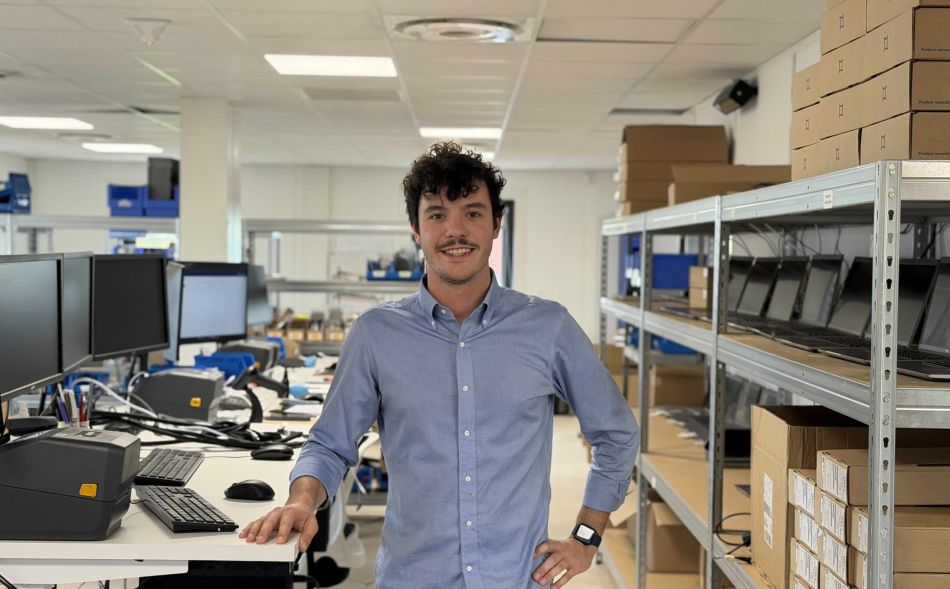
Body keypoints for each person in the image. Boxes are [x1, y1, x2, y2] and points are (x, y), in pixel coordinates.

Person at [240, 142, 640, 588]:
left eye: (472, 212)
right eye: (436, 215)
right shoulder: (375, 335)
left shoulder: (548, 327)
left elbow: (616, 433)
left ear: (496, 224)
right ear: (416, 228)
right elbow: (330, 444)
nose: (455, 230)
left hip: (514, 578)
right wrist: (302, 501)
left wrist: (586, 536)